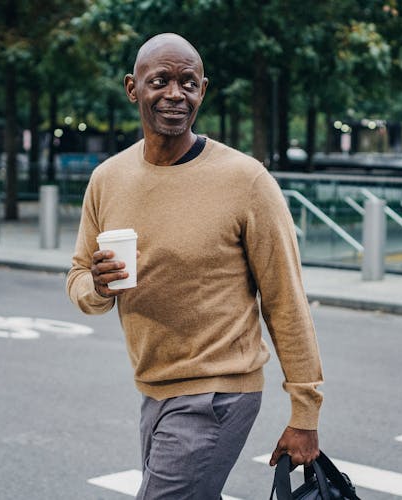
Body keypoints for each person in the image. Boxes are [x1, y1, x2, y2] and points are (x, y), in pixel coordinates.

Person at [66, 33, 323, 499]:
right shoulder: (108, 179)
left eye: (188, 82)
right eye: (159, 80)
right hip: (154, 388)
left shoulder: (245, 180)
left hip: (218, 393)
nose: (174, 94)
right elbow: (79, 277)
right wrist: (99, 288)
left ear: (202, 90)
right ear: (132, 88)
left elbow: (286, 299)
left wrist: (304, 412)